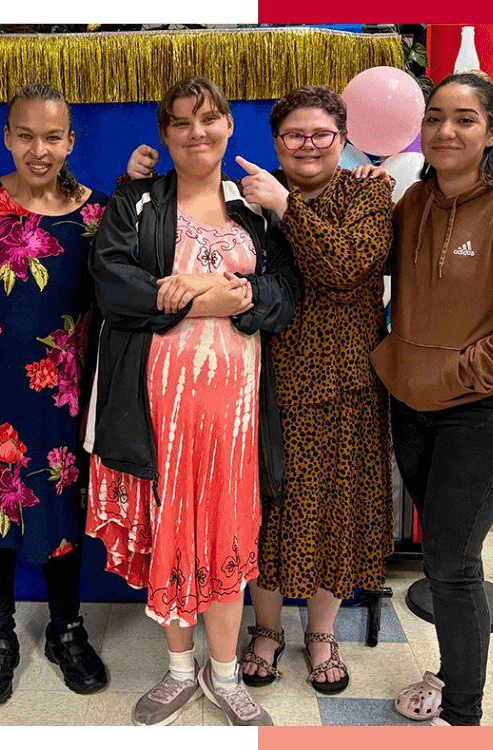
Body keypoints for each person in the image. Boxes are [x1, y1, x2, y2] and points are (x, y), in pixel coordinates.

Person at [126, 85, 395, 694]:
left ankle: (321, 633)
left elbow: (349, 266)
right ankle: (266, 631)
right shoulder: (249, 194)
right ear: (274, 142)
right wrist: (133, 177)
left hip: (349, 377)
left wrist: (288, 209)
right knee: (268, 510)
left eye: (321, 133)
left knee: (339, 506)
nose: (307, 144)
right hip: (268, 378)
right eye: (293, 134)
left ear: (343, 138)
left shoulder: (366, 190)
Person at [86, 76, 299, 727]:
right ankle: (180, 671)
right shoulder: (138, 202)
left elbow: (284, 292)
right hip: (159, 413)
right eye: (180, 122)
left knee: (227, 537)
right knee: (171, 534)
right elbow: (110, 283)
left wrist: (240, 296)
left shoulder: (252, 206)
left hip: (235, 415)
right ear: (165, 132)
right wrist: (195, 296)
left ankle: (226, 675)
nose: (196, 132)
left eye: (208, 120)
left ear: (229, 125)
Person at [371, 71, 493, 726]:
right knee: (442, 553)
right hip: (412, 406)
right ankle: (453, 674)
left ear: (490, 131)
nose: (444, 131)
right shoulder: (415, 202)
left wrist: (455, 375)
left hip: (484, 410)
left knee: (451, 562)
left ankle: (461, 716)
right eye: (433, 118)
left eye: (461, 119)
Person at [0, 83, 109, 709]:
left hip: (65, 395)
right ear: (7, 136)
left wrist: (96, 397)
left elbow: (102, 314)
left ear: (71, 140)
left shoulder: (95, 215)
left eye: (53, 137)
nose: (39, 149)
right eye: (26, 135)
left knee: (59, 508)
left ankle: (67, 628)